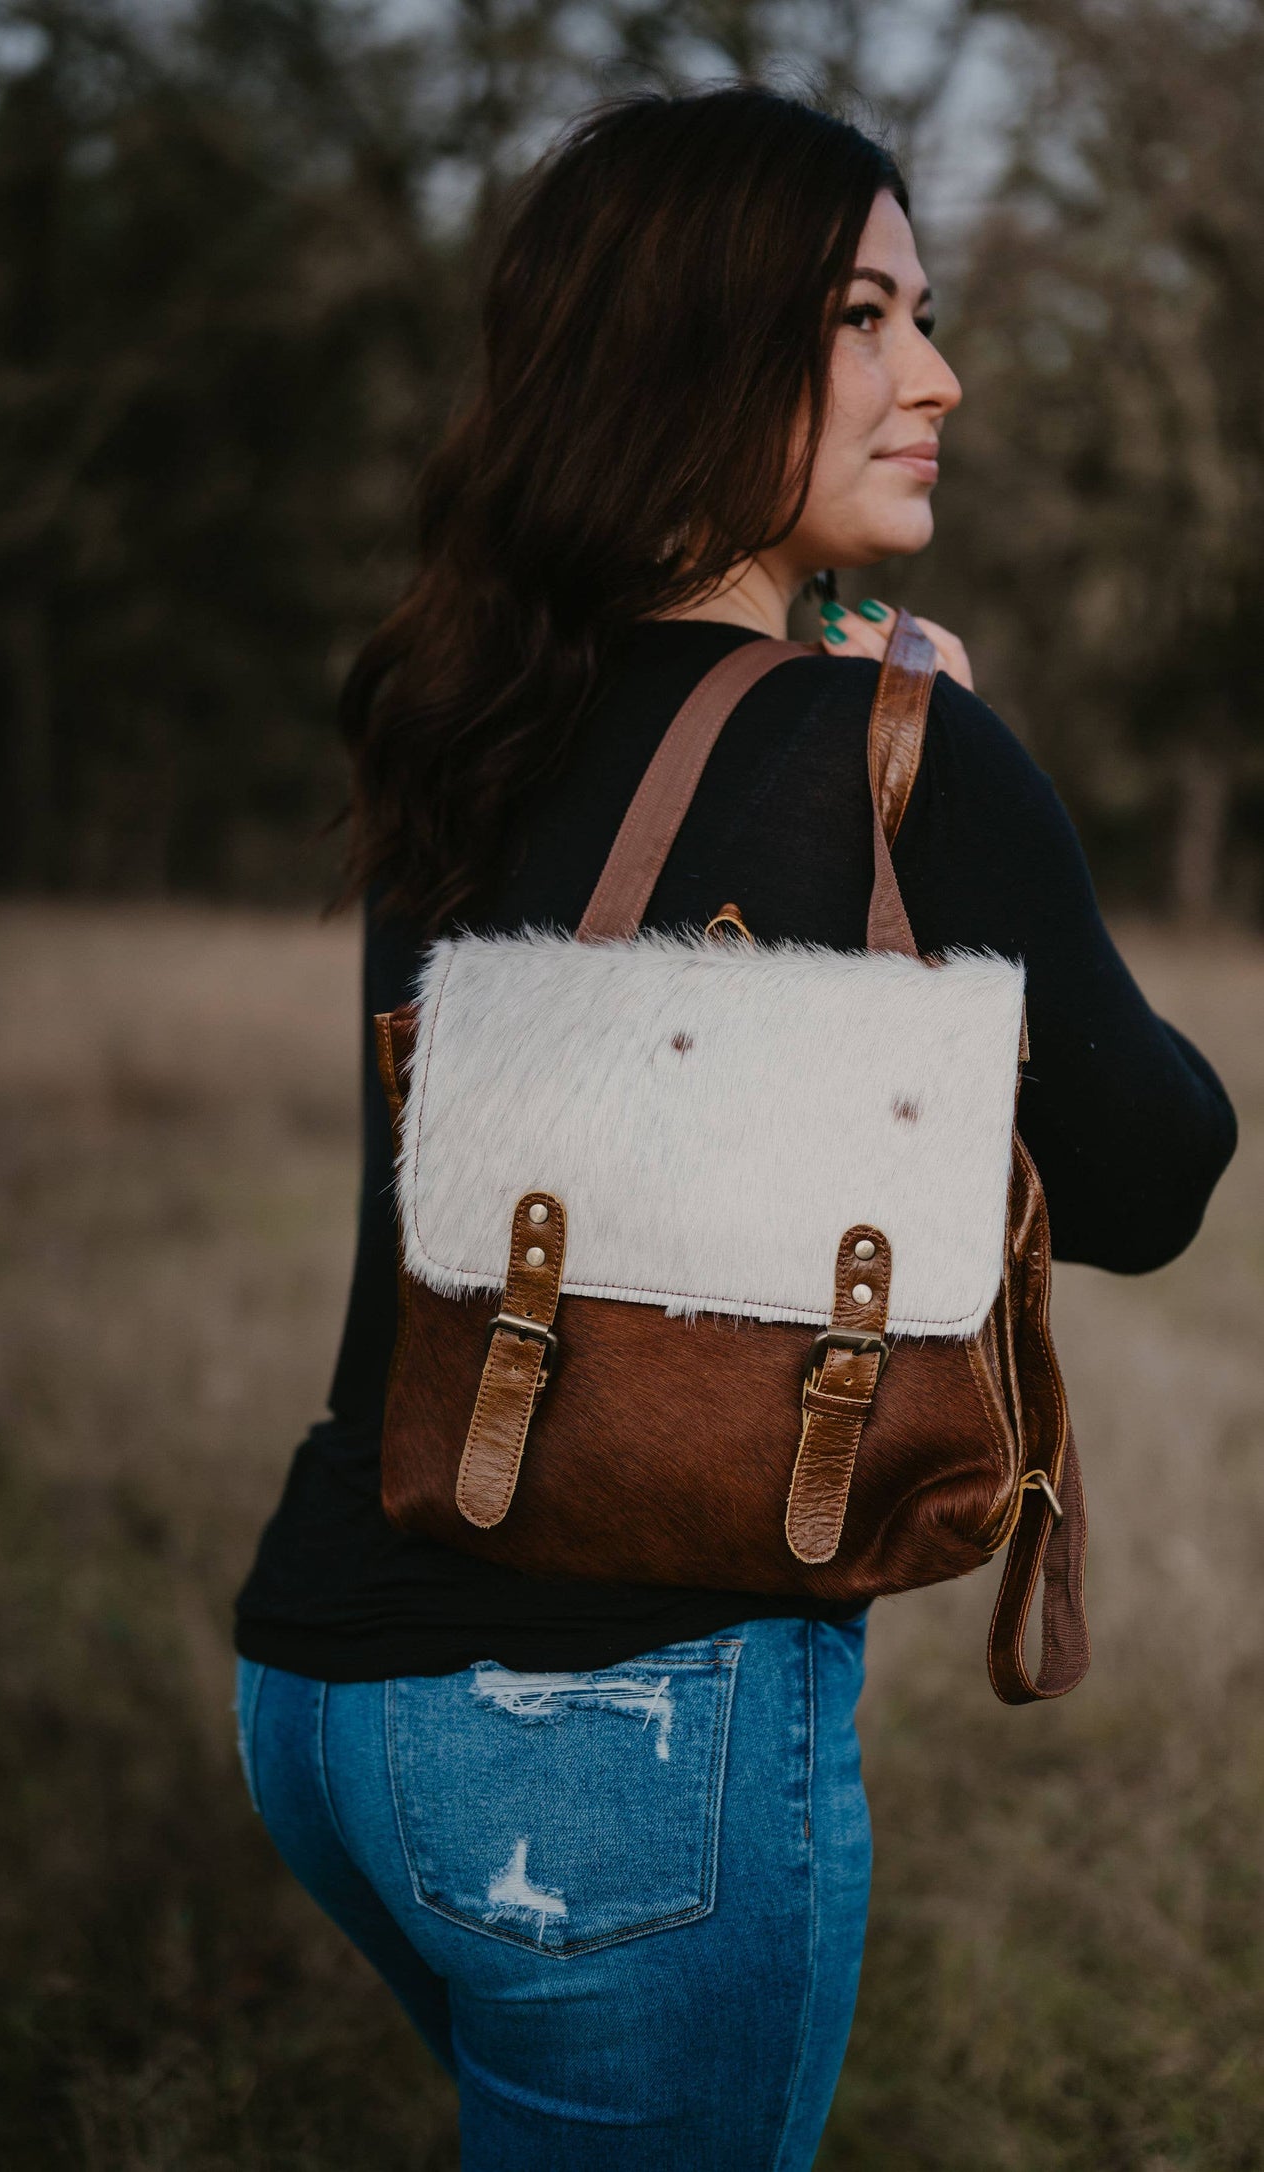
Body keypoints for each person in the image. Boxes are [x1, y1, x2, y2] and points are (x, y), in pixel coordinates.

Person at [232, 85, 1236, 2170]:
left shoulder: (456, 702)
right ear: (693, 349)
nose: (937, 374)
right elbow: (1157, 1177)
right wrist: (954, 759)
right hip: (625, 1730)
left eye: (925, 314)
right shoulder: (894, 749)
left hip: (326, 1691)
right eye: (865, 317)